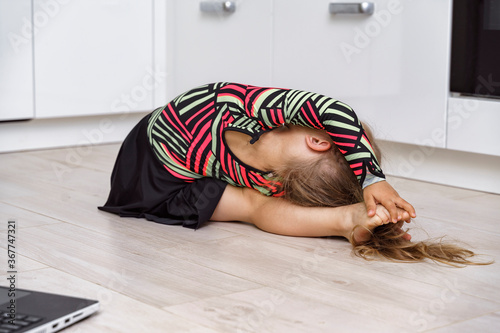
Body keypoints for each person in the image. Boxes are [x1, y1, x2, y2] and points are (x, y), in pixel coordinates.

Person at [99, 82, 488, 266]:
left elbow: (330, 111)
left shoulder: (266, 175)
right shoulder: (237, 104)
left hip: (164, 187)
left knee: (255, 204)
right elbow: (326, 107)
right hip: (148, 177)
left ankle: (347, 220)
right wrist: (372, 176)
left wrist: (366, 182)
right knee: (253, 204)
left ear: (319, 138)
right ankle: (344, 217)